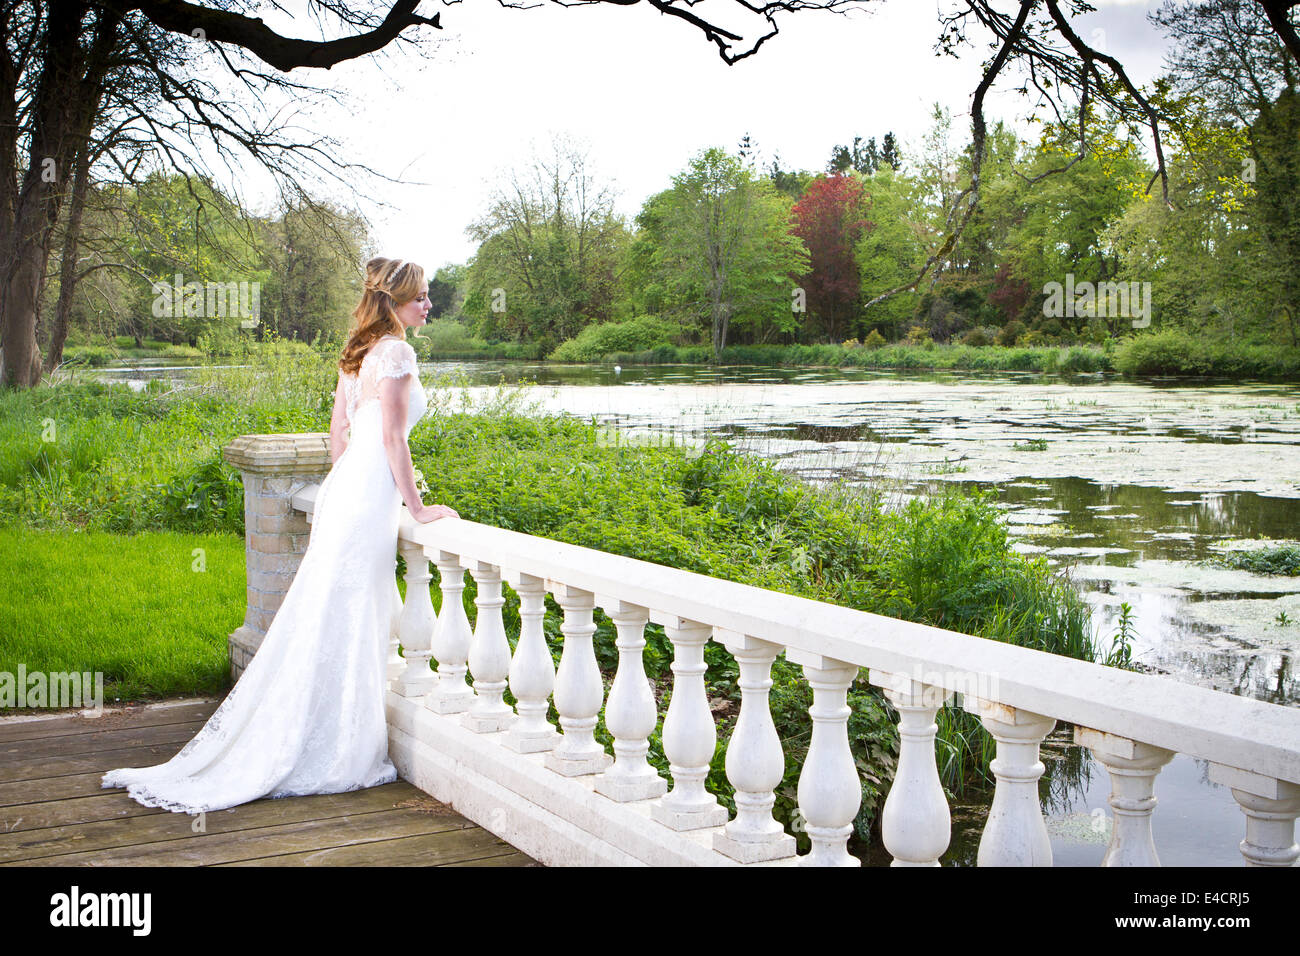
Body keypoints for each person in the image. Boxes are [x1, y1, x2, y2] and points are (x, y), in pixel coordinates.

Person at [101, 257, 458, 814]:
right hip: (368, 497)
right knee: (351, 614)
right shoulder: (396, 351)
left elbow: (340, 432)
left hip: (348, 492)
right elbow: (394, 439)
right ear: (396, 300)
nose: (429, 305)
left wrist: (344, 486)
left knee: (330, 613)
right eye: (422, 297)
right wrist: (418, 505)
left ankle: (316, 731)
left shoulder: (356, 351)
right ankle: (340, 748)